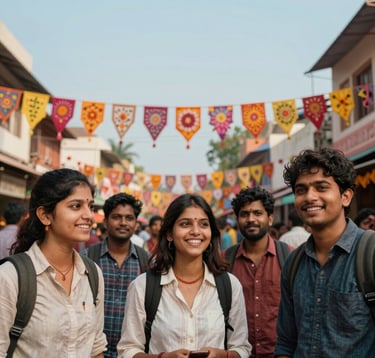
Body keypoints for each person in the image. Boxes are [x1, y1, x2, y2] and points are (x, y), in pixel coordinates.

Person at [117, 193, 252, 358]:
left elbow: (242, 348)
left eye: (203, 224)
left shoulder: (230, 286)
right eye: (185, 224)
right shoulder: (143, 286)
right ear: (169, 234)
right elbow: (127, 350)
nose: (196, 231)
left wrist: (222, 355)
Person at [275, 148, 375, 357]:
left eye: (321, 187)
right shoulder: (293, 264)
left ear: (345, 196)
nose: (309, 197)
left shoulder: (370, 254)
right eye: (301, 190)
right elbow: (286, 342)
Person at [0, 168, 107, 357]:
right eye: (76, 206)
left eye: (90, 206)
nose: (89, 215)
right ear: (45, 216)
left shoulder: (92, 274)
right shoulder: (11, 276)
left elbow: (96, 347)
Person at [81, 192, 149, 358]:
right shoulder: (86, 257)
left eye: (129, 218)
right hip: (91, 352)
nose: (123, 223)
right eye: (117, 217)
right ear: (105, 221)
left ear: (136, 224)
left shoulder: (147, 262)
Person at [228, 186, 291, 358]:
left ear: (270, 219)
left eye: (257, 213)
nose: (251, 219)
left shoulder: (289, 257)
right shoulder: (225, 260)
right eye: (244, 214)